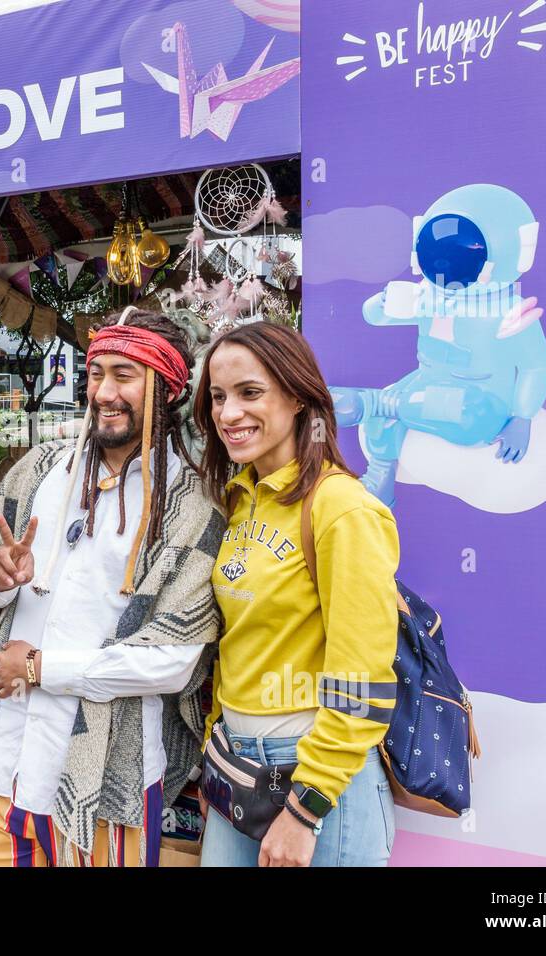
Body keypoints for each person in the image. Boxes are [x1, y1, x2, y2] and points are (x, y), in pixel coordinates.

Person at [0, 307, 225, 867]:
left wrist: (42, 668)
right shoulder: (42, 467)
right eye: (96, 373)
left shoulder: (191, 505)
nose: (104, 391)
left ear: (166, 388)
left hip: (105, 789)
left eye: (125, 375)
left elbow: (175, 658)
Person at [193, 321, 400, 867]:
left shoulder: (341, 507)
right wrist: (218, 747)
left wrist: (306, 808)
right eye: (218, 397)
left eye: (250, 393)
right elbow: (235, 643)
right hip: (236, 772)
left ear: (298, 398)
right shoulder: (237, 501)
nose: (228, 414)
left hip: (316, 780)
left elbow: (363, 677)